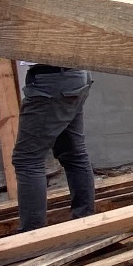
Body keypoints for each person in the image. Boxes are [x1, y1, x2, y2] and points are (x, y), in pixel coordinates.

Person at [12, 63, 96, 231]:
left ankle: (33, 237)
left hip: (53, 80)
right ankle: (85, 223)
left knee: (28, 159)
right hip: (75, 74)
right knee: (73, 153)